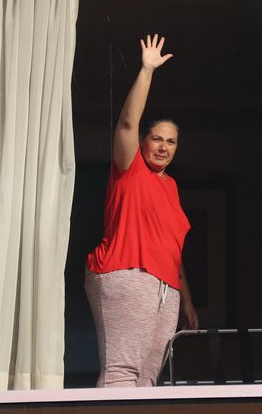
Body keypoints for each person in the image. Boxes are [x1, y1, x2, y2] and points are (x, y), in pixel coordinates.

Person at [85, 34, 199, 388]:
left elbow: (171, 245)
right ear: (144, 142)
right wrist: (146, 71)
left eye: (171, 141)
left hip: (166, 288)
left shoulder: (171, 187)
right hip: (126, 272)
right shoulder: (130, 167)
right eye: (157, 138)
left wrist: (187, 302)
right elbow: (126, 124)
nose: (163, 147)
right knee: (123, 374)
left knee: (147, 379)